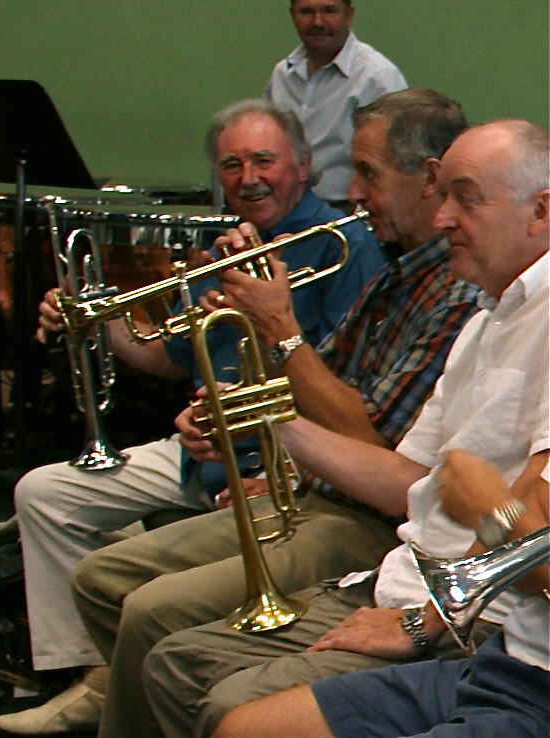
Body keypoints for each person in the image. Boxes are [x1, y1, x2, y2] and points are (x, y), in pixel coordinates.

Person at [59, 89, 482, 738]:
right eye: (232, 165)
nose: (354, 193)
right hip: (316, 489)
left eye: (366, 173)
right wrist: (234, 411)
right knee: (100, 579)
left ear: (427, 179)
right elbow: (312, 394)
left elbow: (376, 445)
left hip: (370, 521)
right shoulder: (398, 274)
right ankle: (125, 694)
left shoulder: (457, 294)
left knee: (154, 619)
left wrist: (279, 330)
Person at [137, 118, 549, 738]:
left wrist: (444, 593)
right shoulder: (486, 317)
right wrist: (269, 420)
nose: (442, 219)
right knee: (184, 667)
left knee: (218, 691)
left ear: (541, 211)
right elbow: (409, 477)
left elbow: (523, 530)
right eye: (444, 197)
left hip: (482, 619)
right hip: (430, 589)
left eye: (465, 199)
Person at [0, 98, 385, 735]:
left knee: (148, 594)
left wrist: (268, 329)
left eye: (264, 161)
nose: (248, 178)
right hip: (200, 444)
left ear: (303, 166)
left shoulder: (343, 245)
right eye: (232, 165)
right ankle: (92, 674)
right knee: (43, 493)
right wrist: (95, 317)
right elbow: (167, 355)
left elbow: (349, 397)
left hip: (278, 454)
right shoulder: (223, 241)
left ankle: (122, 684)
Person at [213, 450, 549, 738]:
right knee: (243, 728)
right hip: (508, 662)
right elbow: (534, 525)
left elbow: (511, 517)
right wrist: (501, 520)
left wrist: (494, 511)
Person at [265, 0, 407, 209]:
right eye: (306, 12)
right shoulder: (282, 75)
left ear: (349, 15)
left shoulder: (376, 76)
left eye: (329, 11)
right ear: (292, 15)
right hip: (287, 211)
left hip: (348, 212)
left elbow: (395, 163)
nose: (317, 22)